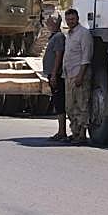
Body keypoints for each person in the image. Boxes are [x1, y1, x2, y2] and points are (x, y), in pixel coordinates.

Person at [61, 8, 92, 145]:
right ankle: (74, 133)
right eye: (68, 20)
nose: (70, 22)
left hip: (79, 75)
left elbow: (86, 56)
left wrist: (81, 75)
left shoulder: (83, 34)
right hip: (69, 75)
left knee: (81, 105)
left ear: (77, 19)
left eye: (72, 19)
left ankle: (82, 135)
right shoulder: (70, 34)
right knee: (70, 106)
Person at [42, 13, 68, 141]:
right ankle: (61, 131)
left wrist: (53, 74)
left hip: (56, 74)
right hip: (53, 73)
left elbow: (59, 56)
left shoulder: (58, 37)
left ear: (54, 22)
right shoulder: (55, 36)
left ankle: (62, 131)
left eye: (49, 20)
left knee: (59, 101)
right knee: (57, 101)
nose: (46, 22)